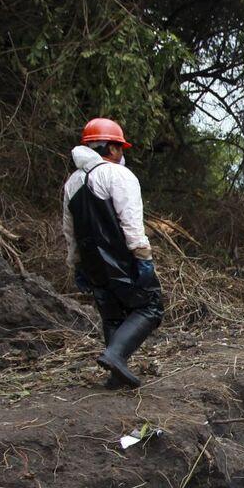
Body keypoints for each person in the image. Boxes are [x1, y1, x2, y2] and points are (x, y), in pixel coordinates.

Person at [62, 117, 164, 389]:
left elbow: (68, 229)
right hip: (121, 258)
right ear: (111, 148)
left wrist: (76, 264)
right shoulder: (119, 175)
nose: (122, 154)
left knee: (112, 314)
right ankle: (116, 355)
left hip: (92, 261)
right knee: (150, 306)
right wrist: (143, 258)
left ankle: (115, 376)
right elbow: (131, 222)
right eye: (121, 148)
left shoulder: (73, 182)